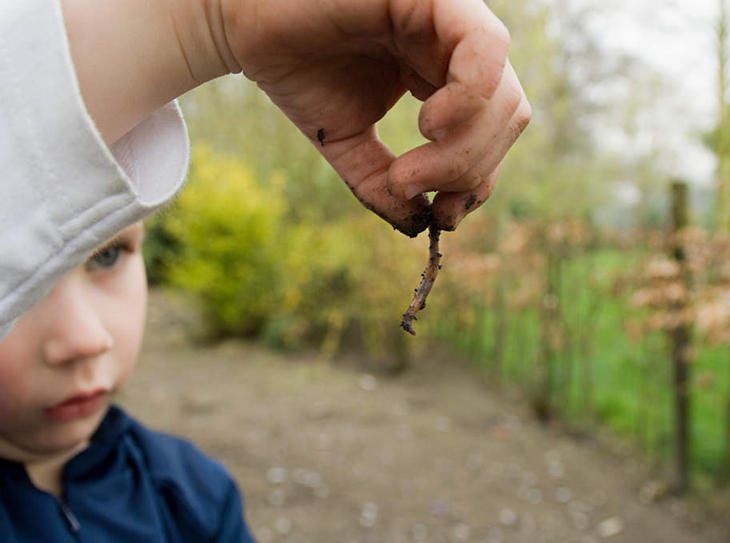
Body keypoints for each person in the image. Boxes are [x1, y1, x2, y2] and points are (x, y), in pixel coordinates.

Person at [0, 0, 530, 539]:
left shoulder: (194, 497)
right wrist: (204, 22)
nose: (84, 339)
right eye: (22, 280)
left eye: (107, 256)